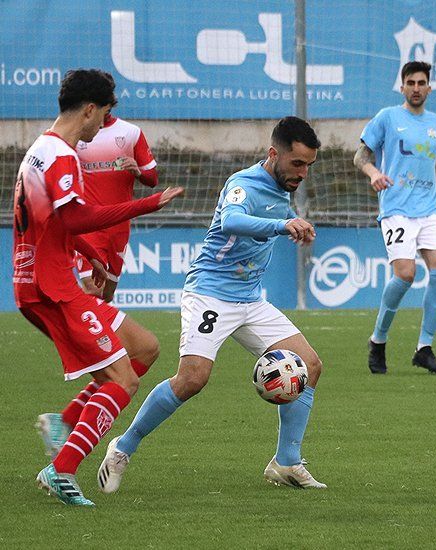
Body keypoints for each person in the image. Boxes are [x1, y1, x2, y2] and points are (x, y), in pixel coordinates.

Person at [96, 117, 327, 494]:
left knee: (310, 366)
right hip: (210, 294)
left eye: (308, 166)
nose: (302, 173)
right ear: (274, 154)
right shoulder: (241, 184)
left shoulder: (282, 187)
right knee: (192, 379)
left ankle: (286, 462)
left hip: (250, 298)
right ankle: (123, 447)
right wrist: (283, 226)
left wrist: (289, 221)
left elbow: (266, 220)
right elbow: (233, 221)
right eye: (297, 163)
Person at [13, 68, 182, 506]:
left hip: (47, 279)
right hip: (51, 288)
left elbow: (57, 223)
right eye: (103, 115)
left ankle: (63, 424)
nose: (101, 125)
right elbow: (74, 217)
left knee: (144, 348)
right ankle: (61, 469)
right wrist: (145, 204)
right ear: (90, 109)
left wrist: (91, 256)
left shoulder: (41, 148)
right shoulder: (62, 155)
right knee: (122, 380)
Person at [354, 60, 436, 375]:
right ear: (402, 87)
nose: (416, 88)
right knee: (406, 275)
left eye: (421, 83)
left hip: (429, 209)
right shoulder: (387, 117)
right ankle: (378, 340)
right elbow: (360, 155)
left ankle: (424, 347)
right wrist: (373, 173)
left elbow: (435, 168)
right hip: (396, 208)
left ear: (429, 87)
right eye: (410, 83)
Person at [75, 111, 159, 302]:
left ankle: (103, 330)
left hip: (118, 226)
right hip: (88, 224)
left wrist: (138, 172)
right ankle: (94, 331)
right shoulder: (77, 133)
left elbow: (152, 179)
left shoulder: (131, 133)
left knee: (106, 295)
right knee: (93, 288)